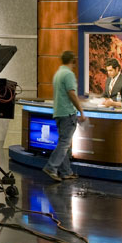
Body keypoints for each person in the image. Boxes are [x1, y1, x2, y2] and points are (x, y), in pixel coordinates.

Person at [42, 50, 84, 182]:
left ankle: (66, 172)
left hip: (58, 113)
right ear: (73, 61)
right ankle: (51, 167)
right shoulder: (69, 74)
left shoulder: (58, 73)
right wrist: (81, 110)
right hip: (67, 113)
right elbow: (71, 93)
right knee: (64, 144)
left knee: (64, 143)